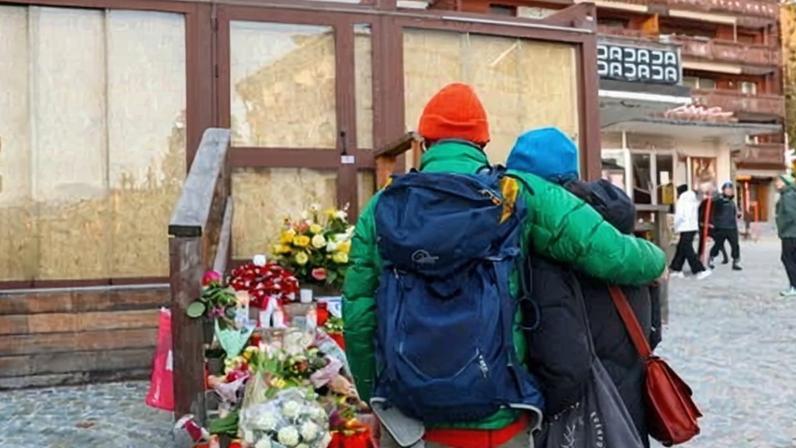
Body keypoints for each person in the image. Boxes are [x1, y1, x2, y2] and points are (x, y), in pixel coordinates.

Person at [343, 87, 666, 448]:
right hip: (499, 418)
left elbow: (358, 317)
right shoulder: (515, 192)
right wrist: (657, 260)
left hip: (411, 422)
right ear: (483, 139)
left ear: (424, 140)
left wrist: (378, 400)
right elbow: (611, 253)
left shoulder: (381, 207)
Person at [505, 128, 660, 447]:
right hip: (629, 410)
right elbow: (653, 331)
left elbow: (564, 364)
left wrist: (540, 410)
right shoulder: (624, 238)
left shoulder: (548, 252)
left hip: (585, 420)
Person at [670, 184, 711, 279]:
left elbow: (680, 215)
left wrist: (675, 226)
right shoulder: (694, 200)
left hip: (684, 226)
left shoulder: (682, 200)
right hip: (692, 226)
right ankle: (676, 268)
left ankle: (699, 269)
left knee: (688, 249)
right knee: (681, 247)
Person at [708, 182, 742, 271]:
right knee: (718, 245)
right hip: (721, 227)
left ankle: (735, 262)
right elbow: (713, 205)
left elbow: (735, 212)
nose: (729, 191)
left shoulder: (732, 202)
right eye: (727, 189)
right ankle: (711, 258)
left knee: (735, 245)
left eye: (731, 189)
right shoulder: (719, 200)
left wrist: (738, 214)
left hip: (732, 227)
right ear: (723, 190)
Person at [775, 174, 796, 297]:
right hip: (792, 233)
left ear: (785, 183)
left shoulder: (787, 196)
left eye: (778, 181)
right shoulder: (791, 194)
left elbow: (791, 215)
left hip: (790, 234)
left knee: (787, 258)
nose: (776, 184)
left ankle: (794, 286)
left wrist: (782, 227)